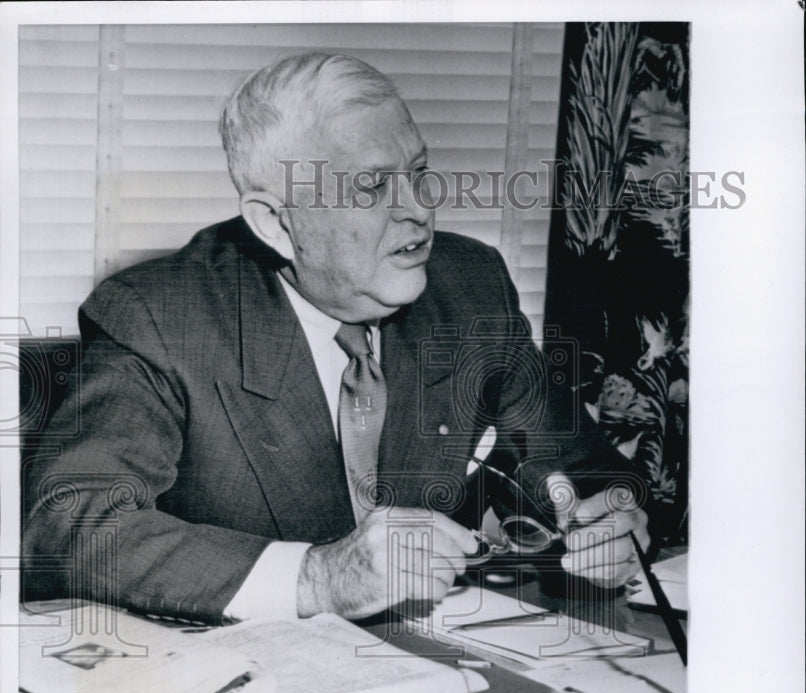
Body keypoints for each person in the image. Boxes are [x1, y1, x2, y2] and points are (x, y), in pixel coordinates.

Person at [22, 52, 648, 625]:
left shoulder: (470, 286)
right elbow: (72, 526)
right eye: (373, 187)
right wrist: (319, 579)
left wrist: (614, 519)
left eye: (419, 171)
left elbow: (589, 468)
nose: (419, 210)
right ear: (275, 222)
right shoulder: (159, 316)